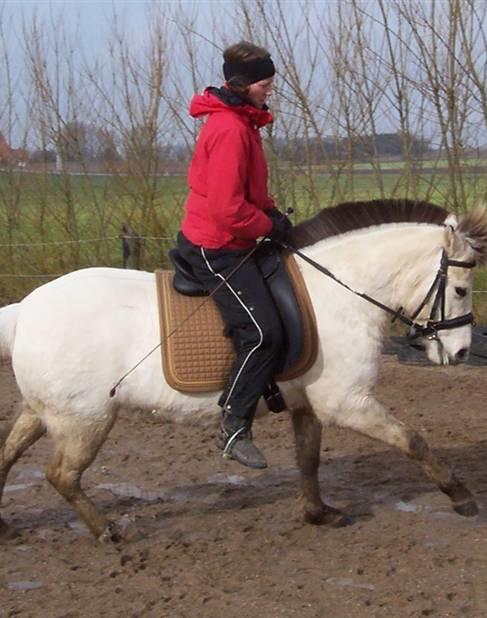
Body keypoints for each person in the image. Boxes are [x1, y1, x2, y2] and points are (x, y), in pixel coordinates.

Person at [176, 41, 292, 469]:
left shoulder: (244, 124)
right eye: (265, 84)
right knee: (262, 332)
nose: (269, 91)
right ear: (244, 84)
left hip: (238, 238)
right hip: (216, 247)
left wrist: (273, 214)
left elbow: (250, 193)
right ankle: (233, 424)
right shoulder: (229, 130)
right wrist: (267, 226)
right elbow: (227, 209)